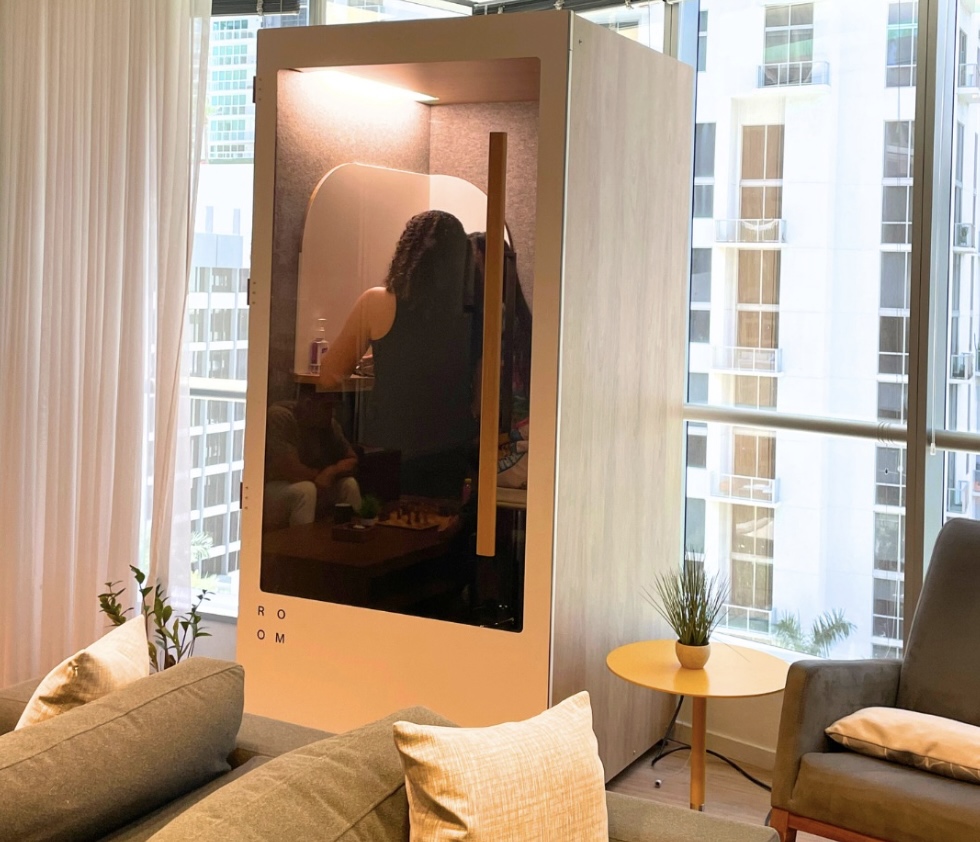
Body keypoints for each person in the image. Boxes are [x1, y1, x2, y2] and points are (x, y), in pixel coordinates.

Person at [318, 209, 478, 498]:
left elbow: (329, 376)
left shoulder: (377, 303)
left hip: (391, 450)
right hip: (452, 451)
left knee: (386, 523)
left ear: (406, 253)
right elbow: (480, 395)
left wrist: (385, 360)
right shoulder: (474, 315)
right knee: (442, 523)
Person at [263, 388, 361, 530]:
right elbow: (291, 470)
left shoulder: (329, 425)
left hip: (316, 482)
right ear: (308, 404)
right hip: (271, 488)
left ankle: (356, 534)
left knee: (349, 485)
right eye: (327, 407)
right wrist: (319, 477)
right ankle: (301, 542)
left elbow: (352, 459)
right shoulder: (280, 416)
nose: (332, 413)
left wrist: (331, 471)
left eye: (333, 407)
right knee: (305, 491)